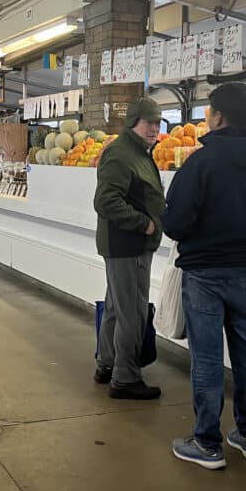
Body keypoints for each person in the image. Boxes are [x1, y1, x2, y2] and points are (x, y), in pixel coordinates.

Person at [163, 82, 246, 470]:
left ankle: (206, 442)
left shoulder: (200, 163)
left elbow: (175, 223)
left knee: (207, 357)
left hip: (204, 272)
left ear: (217, 116)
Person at [93, 97, 166, 400]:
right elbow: (105, 201)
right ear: (133, 121)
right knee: (132, 312)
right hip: (129, 245)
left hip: (126, 244)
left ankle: (107, 364)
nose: (154, 128)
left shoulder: (137, 151)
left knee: (116, 307)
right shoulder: (122, 154)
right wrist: (144, 224)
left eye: (158, 123)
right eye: (148, 122)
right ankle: (125, 378)